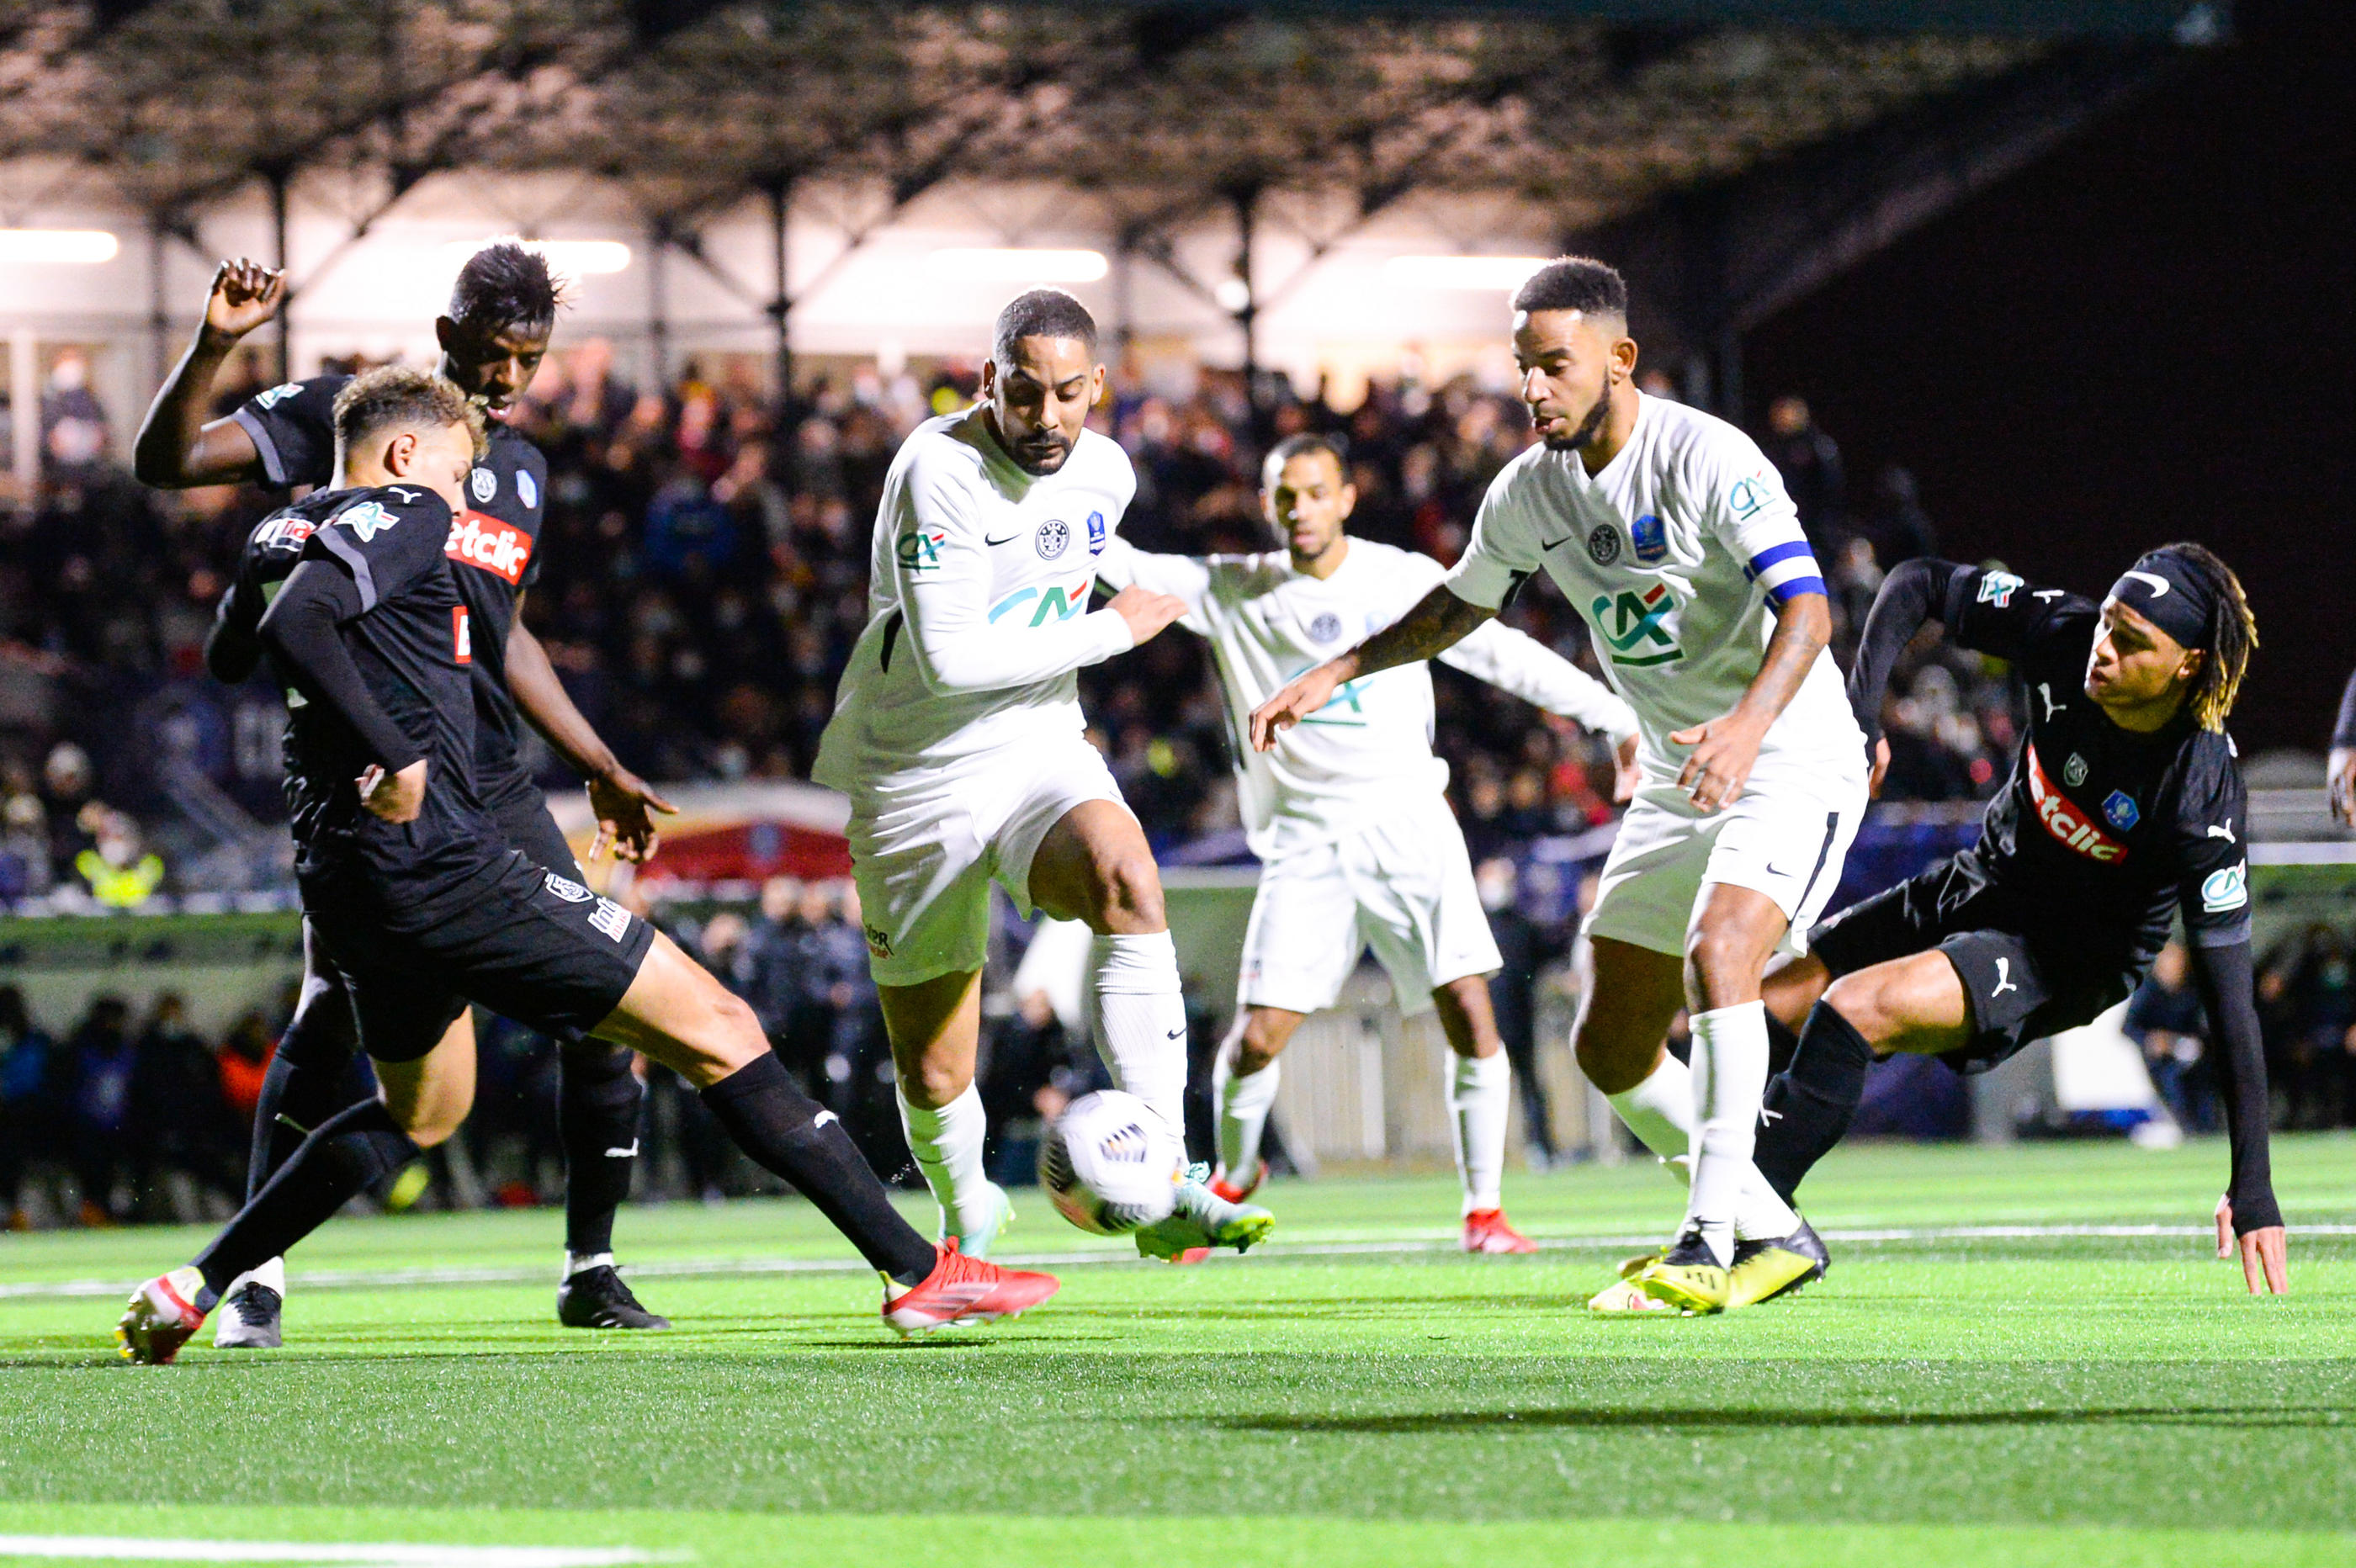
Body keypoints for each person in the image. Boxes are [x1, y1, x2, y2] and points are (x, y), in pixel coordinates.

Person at [115, 368, 1056, 1364]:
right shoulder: (405, 509)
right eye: (457, 466)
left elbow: (233, 650)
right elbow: (297, 623)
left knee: (422, 1110)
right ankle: (919, 1272)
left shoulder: (283, 527)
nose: (463, 489)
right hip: (445, 863)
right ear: (403, 453)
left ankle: (196, 1283)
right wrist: (396, 749)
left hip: (347, 879)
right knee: (720, 1028)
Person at [1251, 257, 1864, 1314]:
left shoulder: (1709, 456)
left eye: (1554, 366)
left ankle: (1710, 1243)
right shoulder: (1530, 489)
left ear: (1620, 360)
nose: (1531, 389)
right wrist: (1334, 669)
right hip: (1681, 769)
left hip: (1788, 749)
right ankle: (1776, 1228)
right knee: (1608, 1043)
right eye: (1521, 367)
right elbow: (1459, 608)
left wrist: (1748, 726)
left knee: (1722, 955)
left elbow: (1809, 613)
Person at [139, 246, 677, 1340]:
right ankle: (258, 1277)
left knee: (611, 996)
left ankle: (591, 1263)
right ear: (447, 337)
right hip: (376, 776)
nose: (510, 376)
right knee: (331, 1009)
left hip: (491, 779)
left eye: (527, 358)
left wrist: (597, 758)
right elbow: (171, 460)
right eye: (491, 354)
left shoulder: (515, 466)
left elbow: (506, 638)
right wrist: (215, 346)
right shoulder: (350, 414)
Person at [811, 289, 1271, 1263]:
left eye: (1069, 394)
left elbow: (1099, 555)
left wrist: (1226, 603)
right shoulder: (936, 469)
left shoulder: (1105, 469)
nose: (1048, 416)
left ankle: (1172, 1179)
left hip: (1035, 746)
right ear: (989, 382)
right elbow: (950, 660)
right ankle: (968, 1208)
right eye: (1025, 394)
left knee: (1125, 876)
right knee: (936, 1070)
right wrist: (1115, 632)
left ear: (1099, 386)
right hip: (916, 774)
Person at [1096, 432, 1639, 1251]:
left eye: (1315, 491)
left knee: (1468, 1009)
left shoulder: (1401, 578)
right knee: (1253, 1040)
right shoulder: (1235, 587)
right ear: (1267, 503)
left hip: (1406, 820)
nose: (1299, 509)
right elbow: (1123, 563)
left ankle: (1483, 1213)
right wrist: (1061, 495)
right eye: (1284, 494)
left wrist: (1610, 712)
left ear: (1345, 496)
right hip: (1306, 841)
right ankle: (1232, 1182)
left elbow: (1504, 656)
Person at [1753, 546, 2287, 1295]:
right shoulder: (2064, 635)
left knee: (1854, 1008)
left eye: (2134, 642)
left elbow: (2232, 1002)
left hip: (2061, 957)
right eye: (2109, 623)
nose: (2105, 648)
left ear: (2189, 666)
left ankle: (1746, 1234)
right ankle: (1735, 1199)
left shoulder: (2200, 795)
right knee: (1758, 1009)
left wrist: (2253, 1186)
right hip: (1980, 880)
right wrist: (1859, 716)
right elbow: (1917, 584)